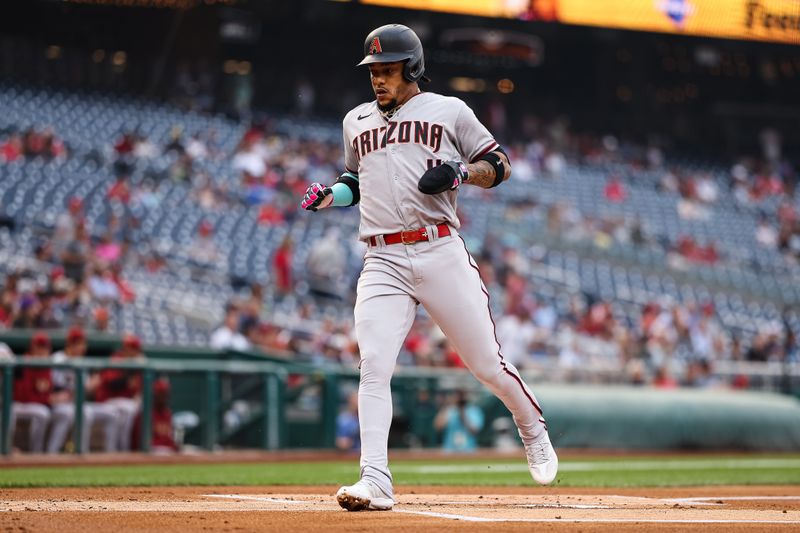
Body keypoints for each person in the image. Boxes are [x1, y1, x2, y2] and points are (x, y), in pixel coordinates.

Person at [301, 24, 557, 512]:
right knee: (373, 365)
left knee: (485, 365)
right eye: (373, 70)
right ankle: (375, 479)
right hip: (381, 259)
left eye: (388, 69)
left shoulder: (449, 110)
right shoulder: (355, 120)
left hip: (438, 249)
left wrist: (461, 172)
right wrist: (331, 195)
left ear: (412, 68)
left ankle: (531, 426)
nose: (378, 78)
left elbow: (498, 164)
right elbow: (358, 179)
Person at [50, 327, 120, 452]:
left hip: (77, 403)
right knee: (85, 414)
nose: (83, 347)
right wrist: (86, 387)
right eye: (79, 344)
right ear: (70, 344)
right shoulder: (58, 359)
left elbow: (84, 392)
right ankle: (73, 453)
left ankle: (111, 454)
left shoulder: (81, 361)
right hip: (60, 404)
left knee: (112, 414)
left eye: (83, 344)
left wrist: (93, 386)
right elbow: (59, 390)